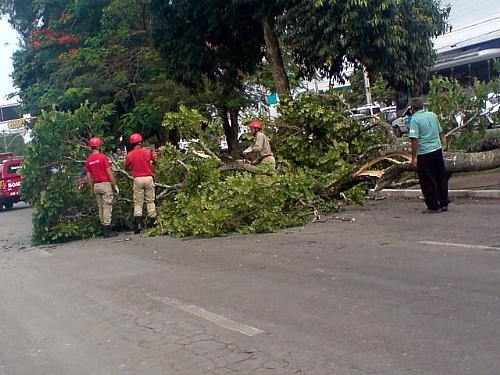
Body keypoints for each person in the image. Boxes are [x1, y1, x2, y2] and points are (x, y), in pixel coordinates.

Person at [408, 97, 449, 214]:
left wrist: (413, 157)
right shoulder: (432, 115)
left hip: (424, 152)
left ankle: (433, 205)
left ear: (412, 109)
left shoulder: (414, 120)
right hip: (437, 149)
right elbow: (440, 132)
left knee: (427, 179)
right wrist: (443, 145)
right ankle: (444, 202)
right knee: (440, 176)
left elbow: (415, 140)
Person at [85, 137, 119, 237]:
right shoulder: (103, 157)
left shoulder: (88, 160)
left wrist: (91, 189)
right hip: (105, 184)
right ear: (99, 146)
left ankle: (104, 228)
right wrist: (114, 185)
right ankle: (107, 230)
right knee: (107, 206)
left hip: (96, 186)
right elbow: (109, 172)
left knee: (100, 208)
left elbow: (88, 177)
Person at [125, 133, 157, 233]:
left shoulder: (130, 154)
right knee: (150, 200)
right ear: (141, 142)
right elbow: (155, 162)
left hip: (138, 179)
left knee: (138, 202)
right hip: (148, 177)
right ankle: (152, 222)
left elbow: (126, 167)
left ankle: (138, 224)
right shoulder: (148, 151)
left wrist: (133, 168)